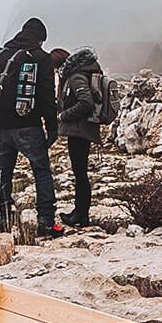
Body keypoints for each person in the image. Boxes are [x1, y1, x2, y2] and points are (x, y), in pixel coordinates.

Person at [0, 17, 62, 239]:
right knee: (41, 171)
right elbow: (46, 95)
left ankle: (3, 220)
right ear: (40, 39)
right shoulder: (41, 58)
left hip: (0, 127)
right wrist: (52, 127)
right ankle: (46, 222)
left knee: (2, 175)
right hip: (28, 126)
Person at [54, 46, 105, 228]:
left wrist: (63, 116)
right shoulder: (79, 73)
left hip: (80, 131)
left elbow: (86, 102)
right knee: (80, 172)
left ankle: (81, 214)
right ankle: (79, 212)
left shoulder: (75, 77)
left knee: (81, 173)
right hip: (81, 130)